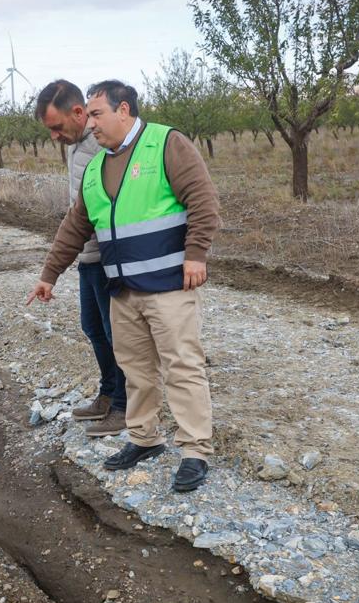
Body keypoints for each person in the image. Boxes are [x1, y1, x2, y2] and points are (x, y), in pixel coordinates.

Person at [28, 81, 220, 492]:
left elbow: (203, 199)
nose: (91, 124)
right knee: (135, 369)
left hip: (169, 283)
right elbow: (75, 226)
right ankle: (144, 437)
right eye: (90, 116)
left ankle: (194, 451)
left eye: (97, 114)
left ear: (124, 111)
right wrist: (49, 274)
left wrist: (196, 254)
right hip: (123, 287)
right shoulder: (98, 166)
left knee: (182, 366)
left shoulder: (165, 143)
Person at [33, 80, 128, 438]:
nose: (55, 136)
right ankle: (108, 393)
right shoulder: (76, 145)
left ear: (78, 113)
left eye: (57, 127)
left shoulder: (106, 144)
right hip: (87, 256)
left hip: (108, 257)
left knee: (117, 334)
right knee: (94, 329)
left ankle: (124, 405)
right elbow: (78, 212)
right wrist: (52, 271)